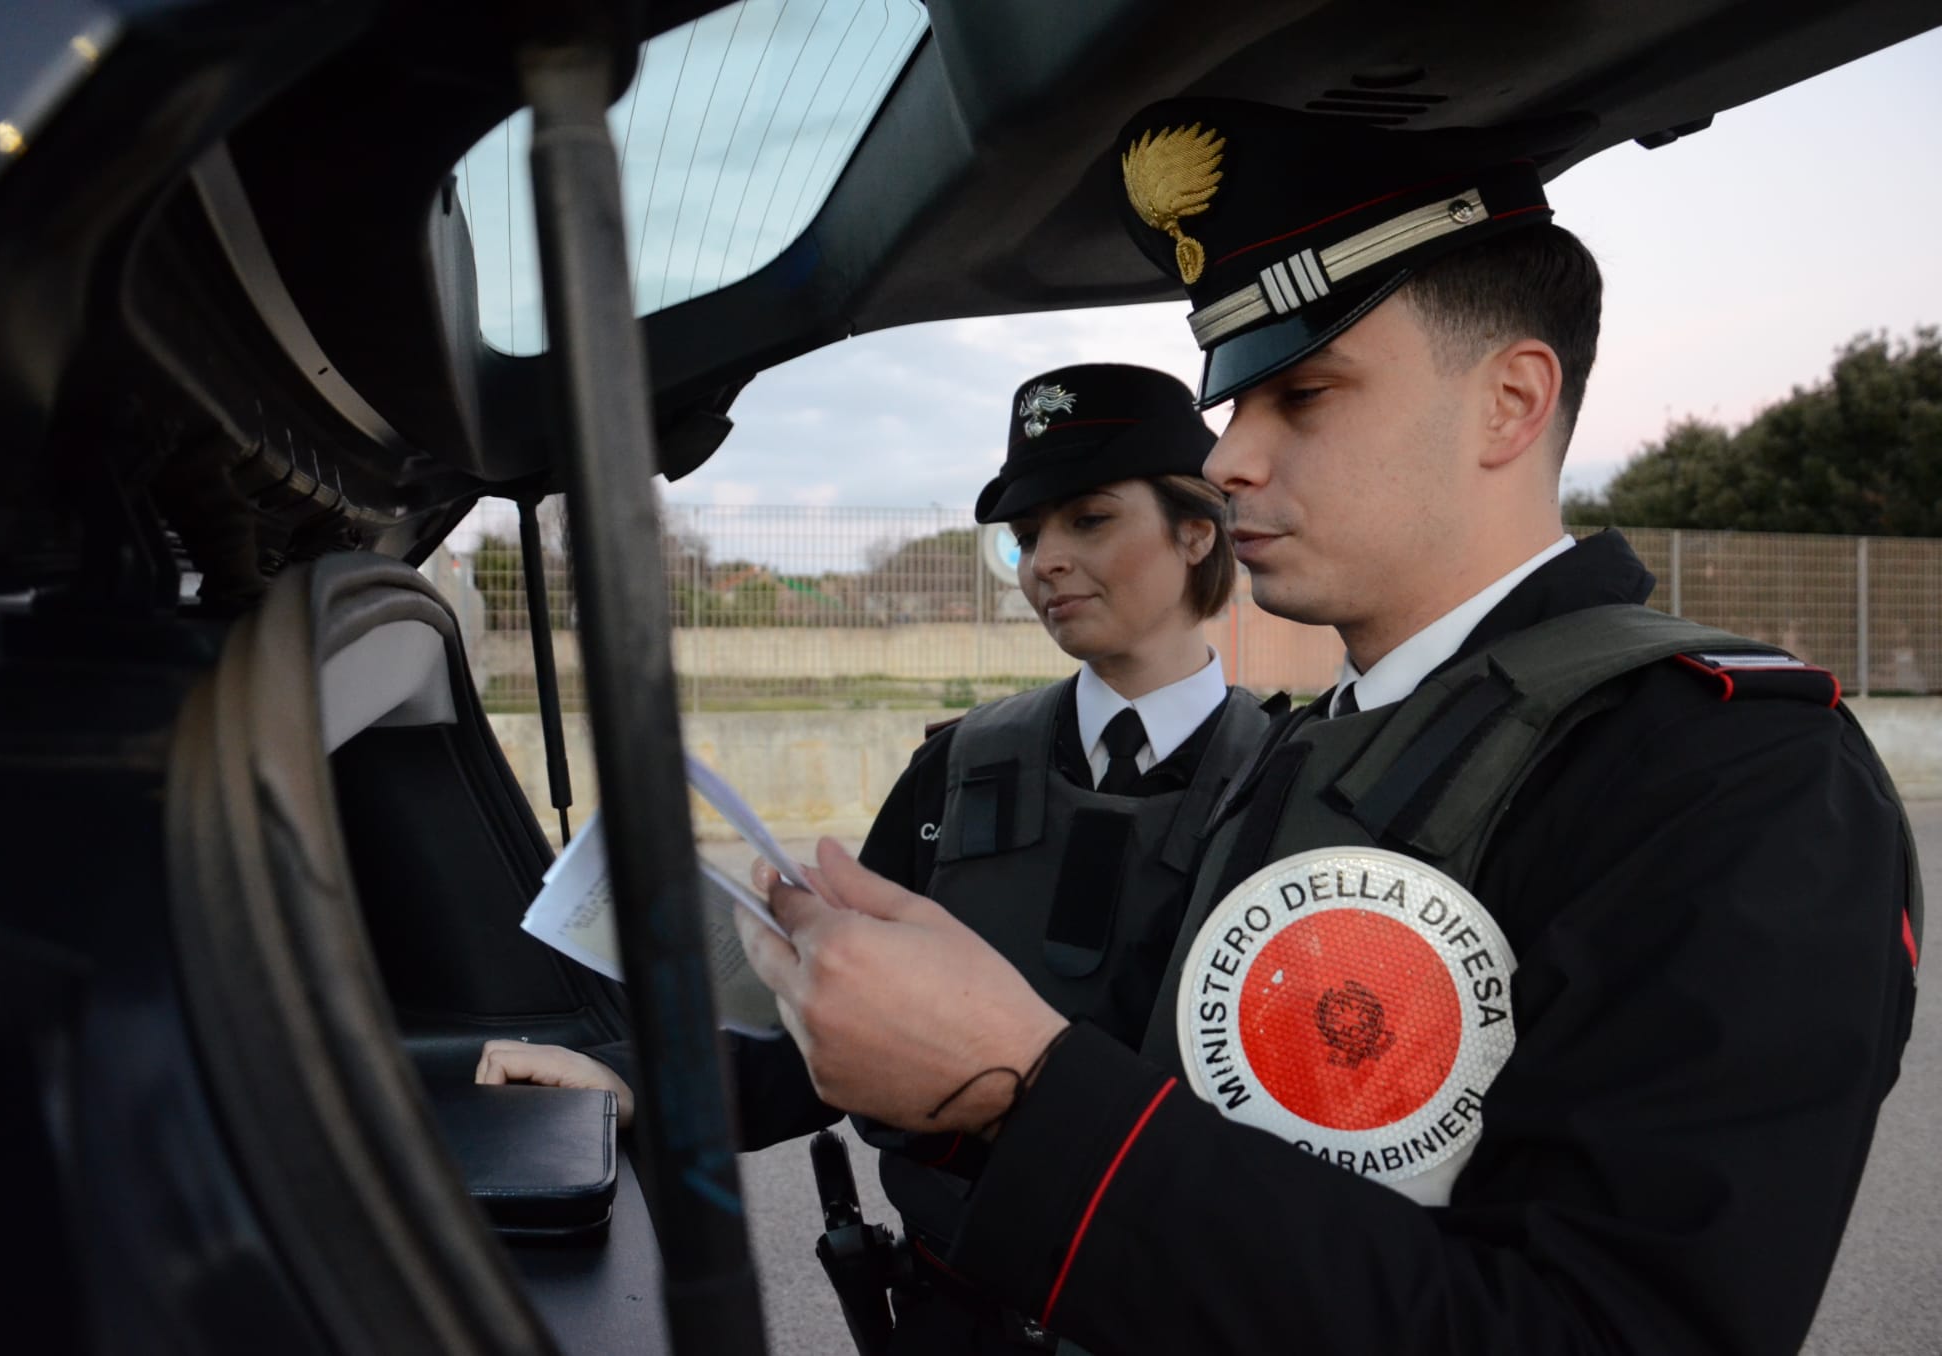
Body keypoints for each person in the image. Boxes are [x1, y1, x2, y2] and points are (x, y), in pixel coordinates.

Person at [733, 99, 1923, 1355]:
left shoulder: (1728, 773)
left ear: (1509, 402)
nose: (1231, 457)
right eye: (1232, 402)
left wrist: (1023, 1088)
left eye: (1301, 393)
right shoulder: (1318, 745)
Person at [480, 361, 1270, 1351]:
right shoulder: (958, 770)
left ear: (1195, 528)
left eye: (1088, 520)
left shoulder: (1291, 786)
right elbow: (817, 1032)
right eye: (1026, 537)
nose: (1043, 563)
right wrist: (621, 1079)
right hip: (954, 1311)